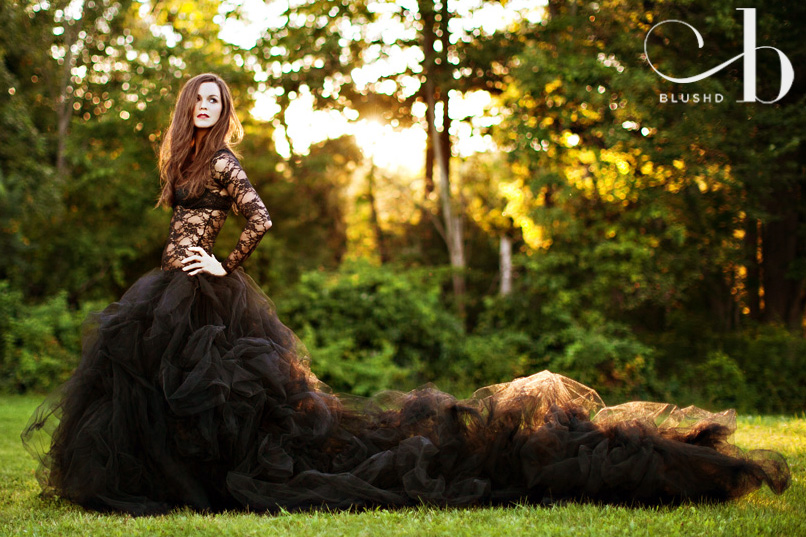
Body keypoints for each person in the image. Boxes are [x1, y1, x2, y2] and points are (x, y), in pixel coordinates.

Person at [22, 73, 790, 516]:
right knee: (143, 390)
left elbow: (257, 216)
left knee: (226, 406)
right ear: (187, 106)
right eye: (199, 101)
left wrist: (225, 265)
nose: (206, 110)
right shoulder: (183, 159)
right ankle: (161, 481)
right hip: (166, 288)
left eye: (217, 104)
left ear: (226, 115)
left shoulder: (224, 162)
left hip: (205, 291)